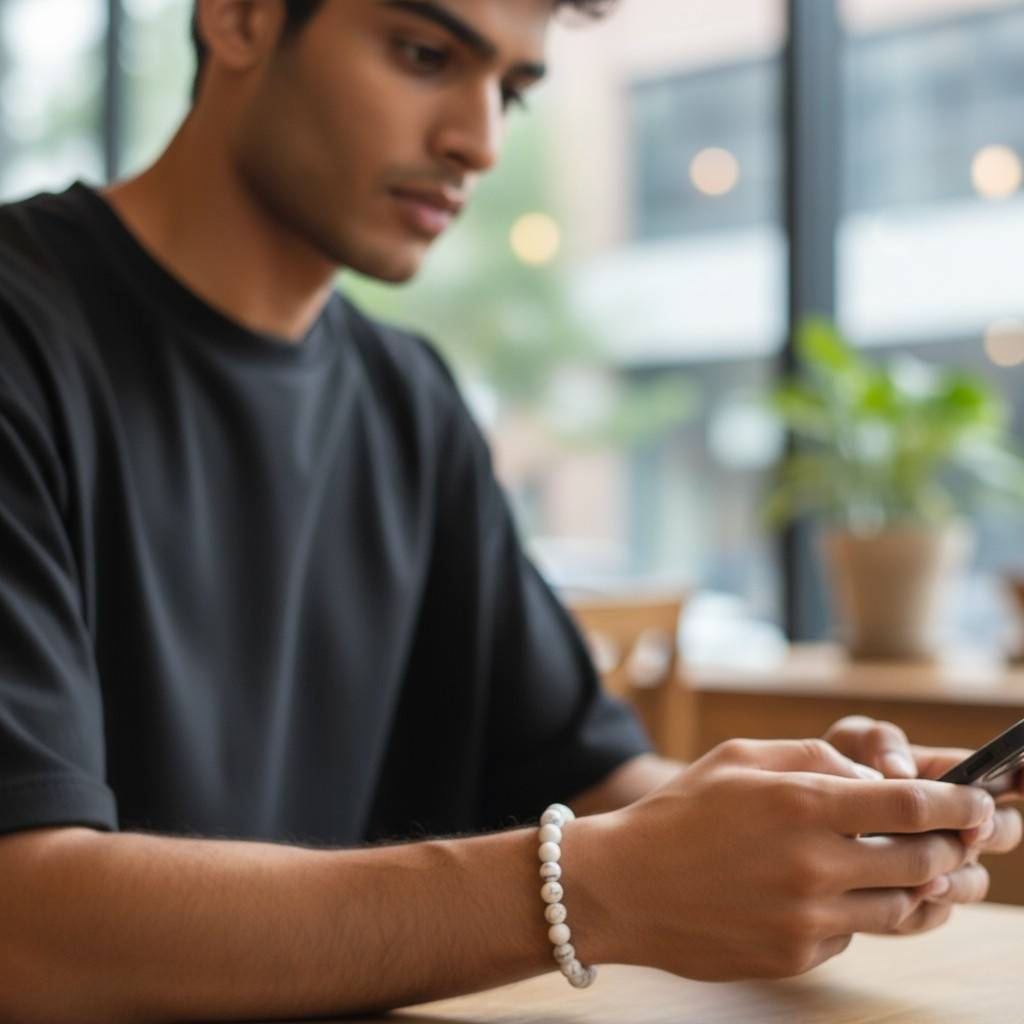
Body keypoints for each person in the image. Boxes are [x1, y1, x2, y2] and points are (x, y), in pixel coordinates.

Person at [0, 1, 1020, 1020]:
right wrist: (596, 885)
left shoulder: (409, 398)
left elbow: (581, 771)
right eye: (424, 54)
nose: (478, 140)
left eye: (512, 92)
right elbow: (23, 922)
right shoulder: (23, 336)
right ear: (238, 18)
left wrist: (806, 817)